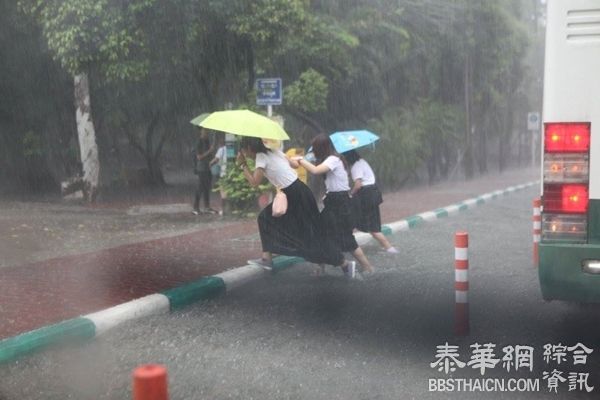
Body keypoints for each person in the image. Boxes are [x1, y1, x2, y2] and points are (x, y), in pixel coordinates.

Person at [236, 136, 356, 276]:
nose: (245, 155)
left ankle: (343, 263)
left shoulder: (261, 157)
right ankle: (268, 257)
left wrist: (243, 165)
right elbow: (294, 165)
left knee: (300, 234)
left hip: (294, 195)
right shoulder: (275, 151)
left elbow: (254, 182)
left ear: (250, 148)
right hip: (301, 192)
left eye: (244, 151)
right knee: (308, 233)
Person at [294, 134, 375, 275]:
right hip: (334, 201)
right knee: (320, 231)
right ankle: (321, 267)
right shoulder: (330, 159)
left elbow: (314, 170)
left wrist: (300, 160)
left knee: (346, 239)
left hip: (340, 203)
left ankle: (368, 268)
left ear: (322, 148)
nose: (313, 151)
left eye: (315, 148)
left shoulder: (333, 159)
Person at [344, 149, 399, 253]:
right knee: (366, 223)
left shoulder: (356, 166)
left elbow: (358, 185)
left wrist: (350, 194)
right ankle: (389, 248)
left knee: (369, 226)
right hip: (372, 193)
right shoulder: (362, 162)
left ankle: (390, 248)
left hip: (366, 195)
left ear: (347, 158)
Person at [193, 128, 216, 215]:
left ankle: (207, 207)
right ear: (201, 132)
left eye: (207, 131)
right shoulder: (199, 142)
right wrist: (209, 151)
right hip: (201, 168)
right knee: (200, 187)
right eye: (205, 131)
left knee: (207, 188)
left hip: (208, 168)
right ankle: (195, 207)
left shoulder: (207, 141)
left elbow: (209, 155)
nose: (206, 132)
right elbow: (199, 157)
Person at [209, 134, 228, 215]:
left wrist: (209, 164)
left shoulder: (221, 149)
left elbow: (216, 159)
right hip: (230, 173)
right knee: (228, 192)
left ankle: (224, 210)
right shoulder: (231, 148)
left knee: (223, 193)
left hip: (223, 173)